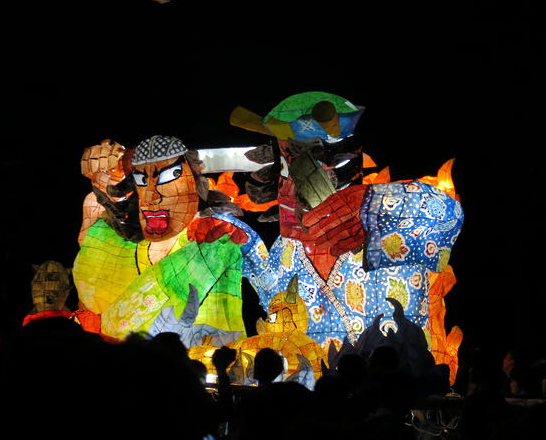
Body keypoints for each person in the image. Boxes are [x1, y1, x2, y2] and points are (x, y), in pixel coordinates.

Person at [231, 91, 464, 353]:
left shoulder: (391, 224)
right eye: (287, 169)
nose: (297, 186)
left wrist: (374, 205)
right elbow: (274, 300)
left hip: (388, 377)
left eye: (316, 168)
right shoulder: (287, 249)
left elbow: (447, 216)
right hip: (312, 378)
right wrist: (244, 243)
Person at [72, 135, 268, 341]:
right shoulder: (106, 235)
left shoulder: (213, 232)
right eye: (141, 180)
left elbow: (265, 274)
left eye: (169, 176)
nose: (152, 196)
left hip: (186, 354)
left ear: (191, 182)